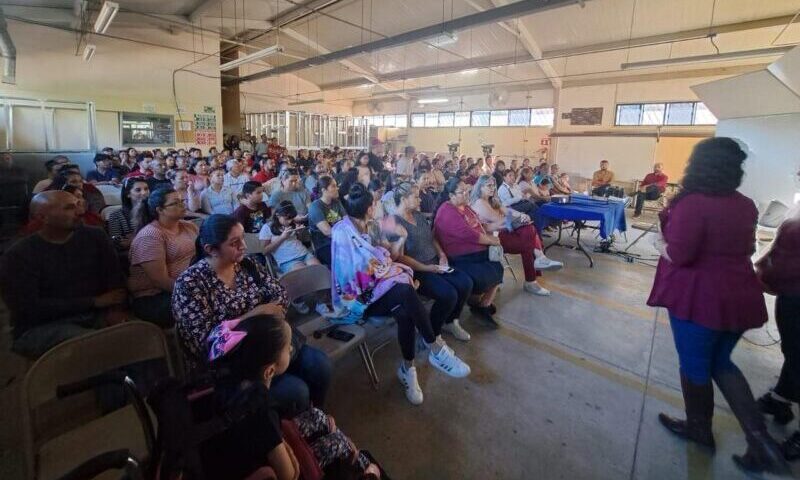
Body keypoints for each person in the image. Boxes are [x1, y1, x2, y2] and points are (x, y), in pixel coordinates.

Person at [649, 137, 790, 474]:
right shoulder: (745, 204)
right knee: (722, 363)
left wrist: (660, 243)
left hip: (700, 298)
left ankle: (699, 429)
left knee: (695, 366)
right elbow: (747, 245)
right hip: (739, 294)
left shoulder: (694, 203)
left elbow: (681, 254)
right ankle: (762, 444)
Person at [173, 214, 332, 416]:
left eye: (242, 239)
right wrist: (256, 313)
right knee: (294, 391)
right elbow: (206, 343)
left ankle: (314, 418)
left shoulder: (248, 266)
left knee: (319, 366)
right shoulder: (190, 284)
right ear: (211, 250)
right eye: (234, 243)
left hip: (272, 343)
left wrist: (263, 315)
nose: (243, 246)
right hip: (235, 364)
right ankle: (282, 434)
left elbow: (280, 295)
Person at [331, 183, 471, 405]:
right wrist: (384, 266)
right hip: (360, 297)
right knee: (405, 291)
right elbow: (351, 275)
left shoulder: (375, 226)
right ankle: (434, 347)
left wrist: (401, 240)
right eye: (374, 203)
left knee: (404, 310)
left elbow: (390, 257)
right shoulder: (341, 231)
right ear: (368, 208)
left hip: (384, 287)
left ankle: (409, 369)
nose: (377, 206)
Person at [200, 314, 382, 480]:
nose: (292, 349)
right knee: (339, 445)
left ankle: (347, 450)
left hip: (246, 450)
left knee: (318, 416)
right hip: (265, 466)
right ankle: (366, 472)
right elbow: (288, 474)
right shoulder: (260, 409)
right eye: (288, 348)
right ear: (270, 370)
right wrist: (291, 455)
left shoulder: (231, 384)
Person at [0, 191, 126, 358]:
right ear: (42, 217)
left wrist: (115, 310)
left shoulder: (95, 236)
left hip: (95, 314)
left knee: (139, 337)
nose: (80, 212)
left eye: (78, 205)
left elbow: (114, 280)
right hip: (42, 326)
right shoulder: (19, 255)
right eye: (69, 208)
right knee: (97, 347)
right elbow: (28, 307)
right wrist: (93, 302)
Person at [393, 182, 473, 342]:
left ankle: (451, 321)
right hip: (418, 270)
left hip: (435, 264)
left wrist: (442, 255)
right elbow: (399, 257)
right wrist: (427, 268)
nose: (420, 200)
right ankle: (431, 333)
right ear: (403, 199)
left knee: (465, 283)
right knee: (449, 294)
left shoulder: (418, 215)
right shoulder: (392, 222)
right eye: (416, 197)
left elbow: (432, 238)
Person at [755, 206, 800, 461]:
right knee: (793, 353)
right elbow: (783, 247)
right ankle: (780, 399)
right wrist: (764, 267)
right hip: (790, 294)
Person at [470, 175, 562, 296]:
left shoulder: (493, 200)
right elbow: (500, 220)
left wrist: (521, 215)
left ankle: (538, 263)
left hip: (503, 232)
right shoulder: (480, 203)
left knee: (528, 230)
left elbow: (508, 211)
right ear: (480, 187)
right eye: (489, 185)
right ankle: (537, 265)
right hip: (492, 239)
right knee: (528, 236)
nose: (493, 188)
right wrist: (519, 219)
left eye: (494, 185)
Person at [433, 178, 504, 325]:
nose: (466, 194)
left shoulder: (465, 206)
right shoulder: (447, 212)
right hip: (461, 257)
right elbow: (470, 234)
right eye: (462, 192)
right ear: (451, 195)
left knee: (498, 267)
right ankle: (475, 302)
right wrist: (491, 240)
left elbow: (479, 225)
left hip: (477, 253)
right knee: (482, 276)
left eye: (467, 190)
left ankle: (483, 305)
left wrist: (499, 225)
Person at [128, 187, 199, 327]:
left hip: (188, 285)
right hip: (156, 296)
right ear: (160, 210)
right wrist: (195, 292)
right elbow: (160, 281)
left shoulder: (189, 226)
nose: (182, 205)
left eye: (182, 201)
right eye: (176, 203)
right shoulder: (150, 235)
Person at [260, 201, 319, 275]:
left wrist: (299, 232)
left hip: (304, 253)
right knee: (305, 275)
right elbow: (264, 251)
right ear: (277, 215)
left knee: (319, 271)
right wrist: (282, 237)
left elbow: (297, 240)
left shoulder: (292, 223)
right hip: (288, 260)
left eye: (291, 218)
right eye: (286, 219)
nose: (289, 221)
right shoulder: (267, 227)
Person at [307, 176, 346, 267]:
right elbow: (327, 232)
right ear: (324, 190)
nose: (337, 188)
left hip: (341, 239)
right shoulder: (315, 207)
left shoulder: (336, 202)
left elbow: (346, 221)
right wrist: (347, 238)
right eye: (333, 186)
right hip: (325, 244)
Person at [108, 177, 150, 251]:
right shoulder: (116, 215)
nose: (144, 193)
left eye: (146, 189)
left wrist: (135, 238)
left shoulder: (155, 211)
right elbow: (118, 244)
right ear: (128, 194)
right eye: (138, 190)